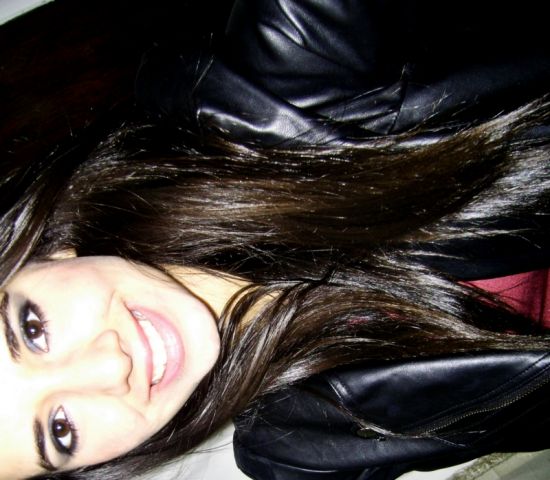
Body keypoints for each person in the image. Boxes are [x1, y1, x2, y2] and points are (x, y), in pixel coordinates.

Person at [1, 1, 549, 479]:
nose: (108, 368)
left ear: (39, 252)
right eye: (60, 430)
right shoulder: (307, 456)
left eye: (31, 328)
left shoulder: (275, 95)